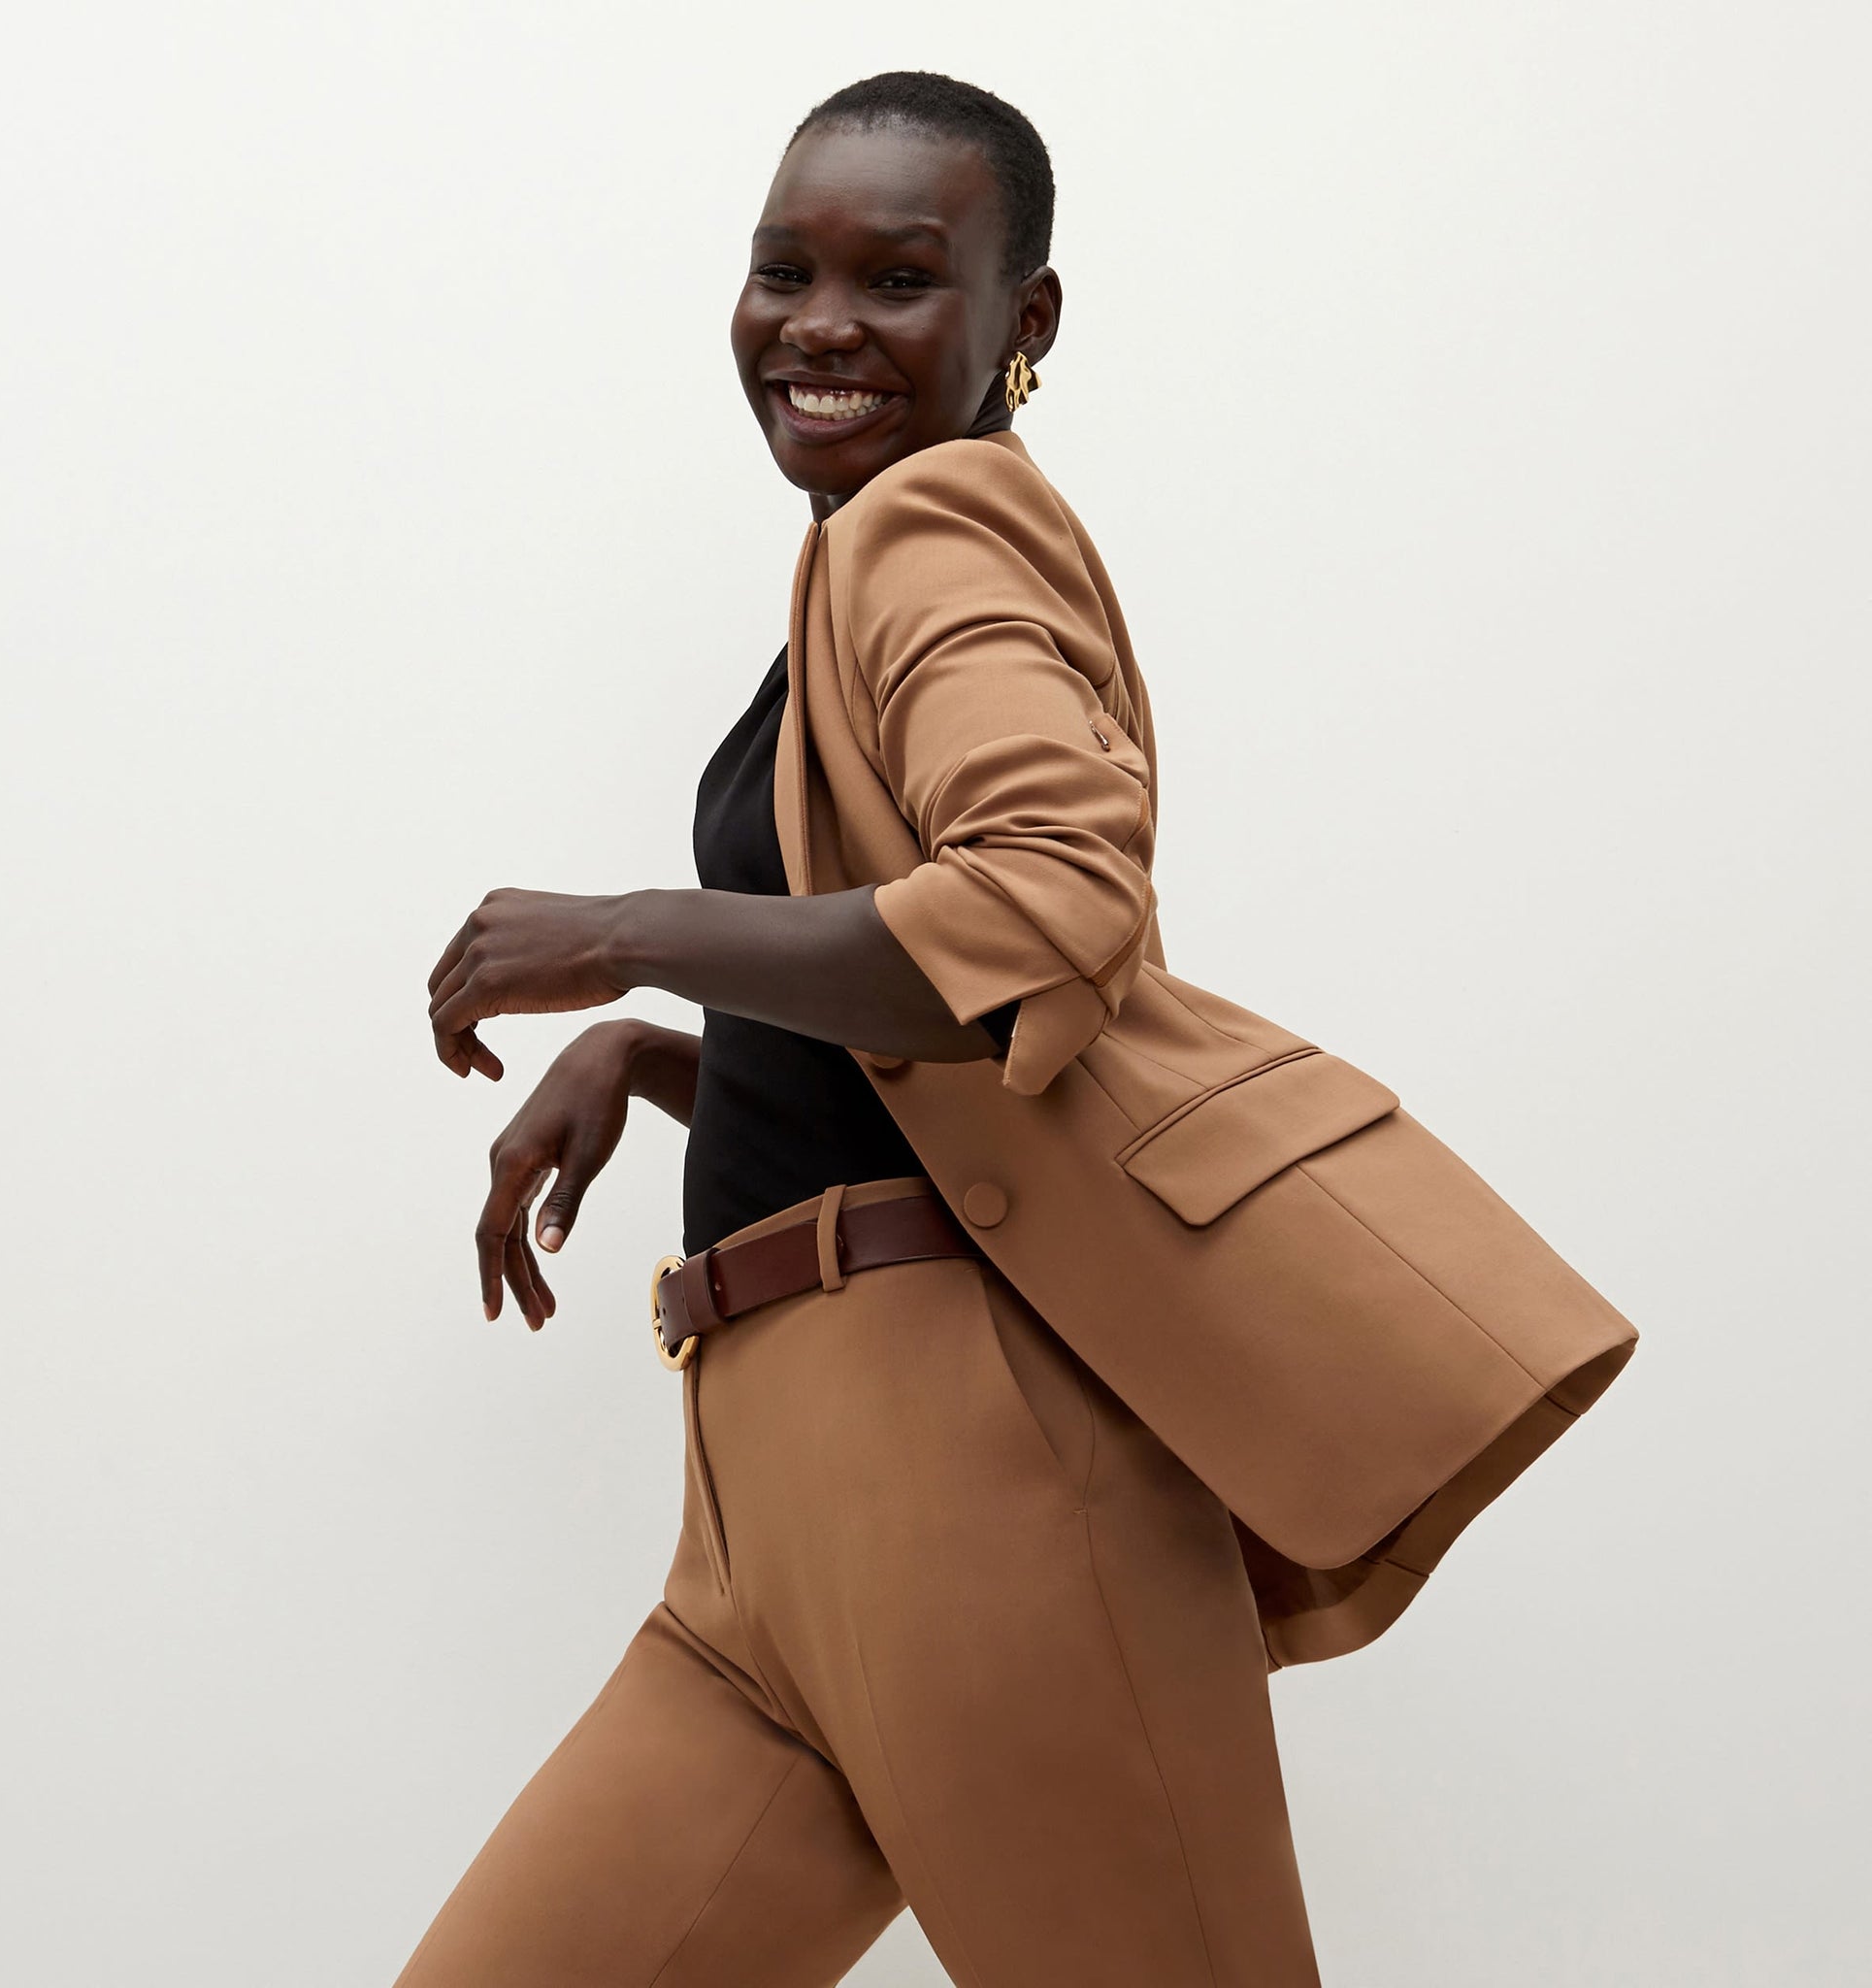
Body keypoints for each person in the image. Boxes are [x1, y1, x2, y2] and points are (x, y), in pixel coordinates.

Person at [401, 71, 1635, 1988]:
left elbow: (1050, 899)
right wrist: (656, 1058)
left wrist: (634, 934)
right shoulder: (845, 566)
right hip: (761, 1533)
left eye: (898, 277)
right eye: (780, 268)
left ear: (1021, 323)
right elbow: (904, 1043)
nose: (820, 323)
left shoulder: (932, 534)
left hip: (969, 1480)